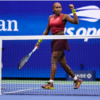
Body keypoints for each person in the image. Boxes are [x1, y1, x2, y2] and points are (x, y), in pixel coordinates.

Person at [35, 2, 82, 89]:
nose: (59, 9)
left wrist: (73, 10)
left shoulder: (64, 16)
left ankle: (50, 83)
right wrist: (39, 41)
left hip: (61, 40)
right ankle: (77, 80)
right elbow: (46, 31)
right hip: (54, 41)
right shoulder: (50, 17)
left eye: (60, 7)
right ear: (53, 9)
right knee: (63, 64)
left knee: (53, 60)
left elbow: (76, 22)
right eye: (56, 7)